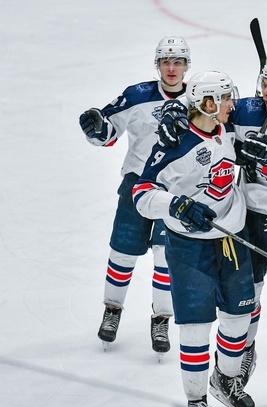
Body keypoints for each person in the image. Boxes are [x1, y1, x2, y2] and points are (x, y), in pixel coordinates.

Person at [157, 56, 267, 407]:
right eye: (263, 84)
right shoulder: (247, 109)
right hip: (250, 219)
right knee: (245, 302)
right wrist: (174, 113)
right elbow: (204, 113)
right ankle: (238, 359)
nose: (265, 93)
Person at [133, 70, 256, 407]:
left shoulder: (227, 130)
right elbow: (141, 194)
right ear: (208, 103)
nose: (233, 104)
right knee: (195, 328)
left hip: (233, 239)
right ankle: (196, 399)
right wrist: (176, 204)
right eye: (226, 98)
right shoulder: (175, 144)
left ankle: (225, 380)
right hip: (189, 247)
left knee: (238, 318)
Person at [78, 36, 191, 356]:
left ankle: (161, 318)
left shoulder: (197, 99)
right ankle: (112, 311)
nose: (172, 68)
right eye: (166, 62)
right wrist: (95, 128)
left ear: (186, 66)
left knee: (164, 257)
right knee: (122, 253)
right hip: (136, 184)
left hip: (175, 189)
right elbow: (106, 132)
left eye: (178, 62)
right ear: (157, 65)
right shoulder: (137, 95)